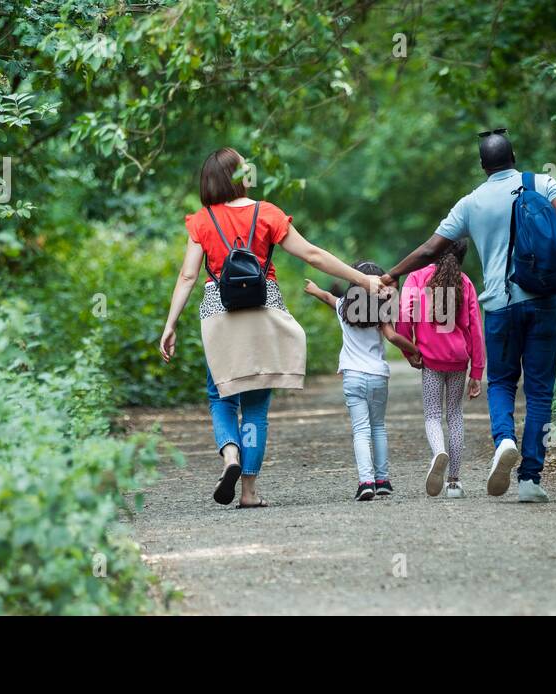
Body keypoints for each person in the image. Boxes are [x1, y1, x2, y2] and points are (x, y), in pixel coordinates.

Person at [159, 147, 385, 508]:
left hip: (219, 314)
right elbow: (312, 254)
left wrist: (169, 325)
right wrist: (364, 280)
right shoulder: (267, 214)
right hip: (263, 312)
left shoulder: (201, 221)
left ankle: (229, 455)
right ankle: (249, 492)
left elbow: (188, 275)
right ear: (239, 176)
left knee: (221, 396)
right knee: (255, 407)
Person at [379, 129, 556, 503]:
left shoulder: (470, 202)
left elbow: (430, 249)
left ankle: (504, 440)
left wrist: (393, 273)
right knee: (539, 392)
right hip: (543, 300)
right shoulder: (543, 182)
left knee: (502, 382)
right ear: (514, 156)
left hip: (500, 307)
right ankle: (529, 480)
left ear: (482, 165)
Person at [303, 265, 421, 501]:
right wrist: (416, 350)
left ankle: (365, 482)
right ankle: (383, 480)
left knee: (360, 430)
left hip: (353, 377)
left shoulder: (343, 308)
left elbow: (328, 297)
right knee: (378, 428)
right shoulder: (382, 309)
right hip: (378, 376)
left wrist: (314, 290)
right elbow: (393, 337)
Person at [395, 240, 484, 499]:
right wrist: (477, 371)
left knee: (433, 415)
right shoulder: (465, 282)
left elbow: (403, 317)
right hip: (458, 360)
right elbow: (475, 329)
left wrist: (409, 350)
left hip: (431, 360)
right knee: (455, 415)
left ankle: (438, 453)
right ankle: (454, 483)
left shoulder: (417, 277)